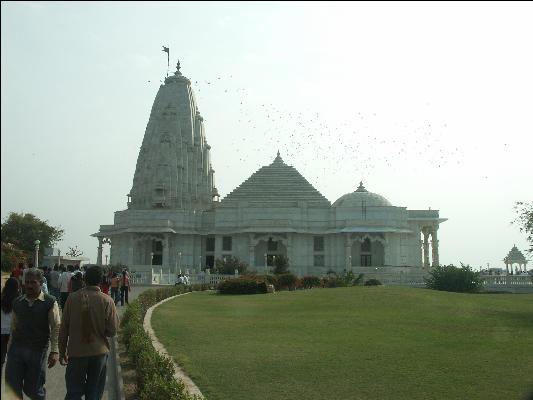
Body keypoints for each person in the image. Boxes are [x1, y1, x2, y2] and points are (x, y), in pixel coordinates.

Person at [59, 265, 119, 400]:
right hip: (98, 352)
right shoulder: (107, 301)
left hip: (76, 352)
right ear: (101, 280)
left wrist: (61, 352)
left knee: (74, 393)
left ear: (85, 279)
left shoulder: (72, 299)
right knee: (94, 394)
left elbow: (64, 329)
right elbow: (113, 330)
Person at [5, 268, 60, 400]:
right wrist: (9, 348)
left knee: (34, 389)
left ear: (41, 283)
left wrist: (54, 351)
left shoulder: (49, 302)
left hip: (37, 351)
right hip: (16, 350)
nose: (29, 285)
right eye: (27, 282)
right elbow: (13, 327)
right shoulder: (17, 302)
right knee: (12, 385)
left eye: (33, 282)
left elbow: (56, 327)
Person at [1, 277, 20, 376]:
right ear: (17, 288)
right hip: (13, 334)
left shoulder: (2, 299)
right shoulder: (18, 302)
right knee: (13, 363)